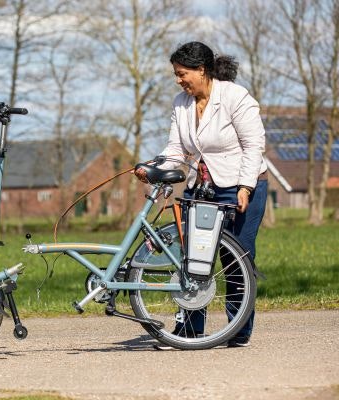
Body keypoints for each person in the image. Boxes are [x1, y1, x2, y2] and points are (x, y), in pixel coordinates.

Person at [135, 42, 267, 347]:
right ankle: (190, 331)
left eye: (182, 74)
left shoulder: (235, 97)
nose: (178, 80)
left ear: (201, 70)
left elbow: (253, 145)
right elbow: (176, 149)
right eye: (175, 74)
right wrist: (152, 167)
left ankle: (238, 331)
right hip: (202, 187)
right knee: (195, 259)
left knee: (236, 259)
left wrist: (245, 186)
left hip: (241, 185)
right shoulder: (181, 103)